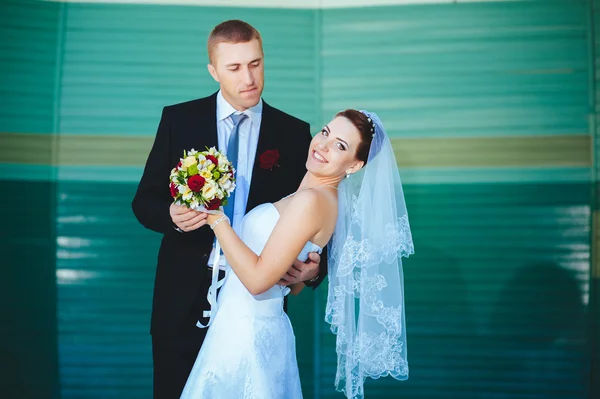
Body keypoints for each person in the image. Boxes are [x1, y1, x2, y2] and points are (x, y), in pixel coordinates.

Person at [131, 20, 326, 399]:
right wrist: (171, 215)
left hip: (257, 303)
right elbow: (144, 201)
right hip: (182, 303)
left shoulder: (293, 133)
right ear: (213, 70)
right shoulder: (178, 120)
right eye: (235, 68)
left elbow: (314, 213)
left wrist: (317, 266)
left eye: (255, 63)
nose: (249, 77)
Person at [180, 109, 414, 399]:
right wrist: (308, 273)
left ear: (354, 165)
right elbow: (295, 284)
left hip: (247, 337)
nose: (324, 145)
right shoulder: (320, 199)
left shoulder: (312, 201)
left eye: (341, 145)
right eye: (326, 132)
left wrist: (215, 216)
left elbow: (257, 281)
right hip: (243, 328)